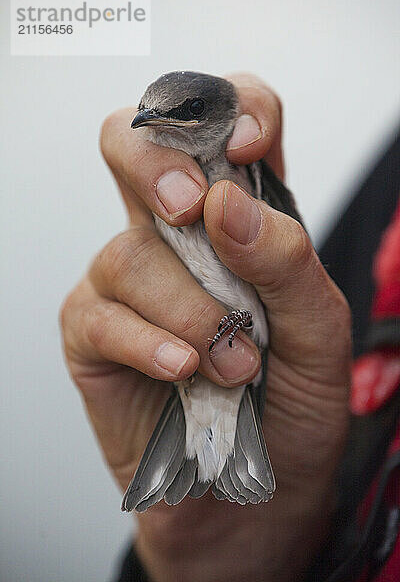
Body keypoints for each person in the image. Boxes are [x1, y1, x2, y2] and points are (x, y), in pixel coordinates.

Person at [60, 73, 400, 582]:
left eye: (182, 111)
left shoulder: (244, 173)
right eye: (150, 111)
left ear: (216, 116)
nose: (154, 122)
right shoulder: (387, 196)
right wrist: (212, 564)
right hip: (254, 502)